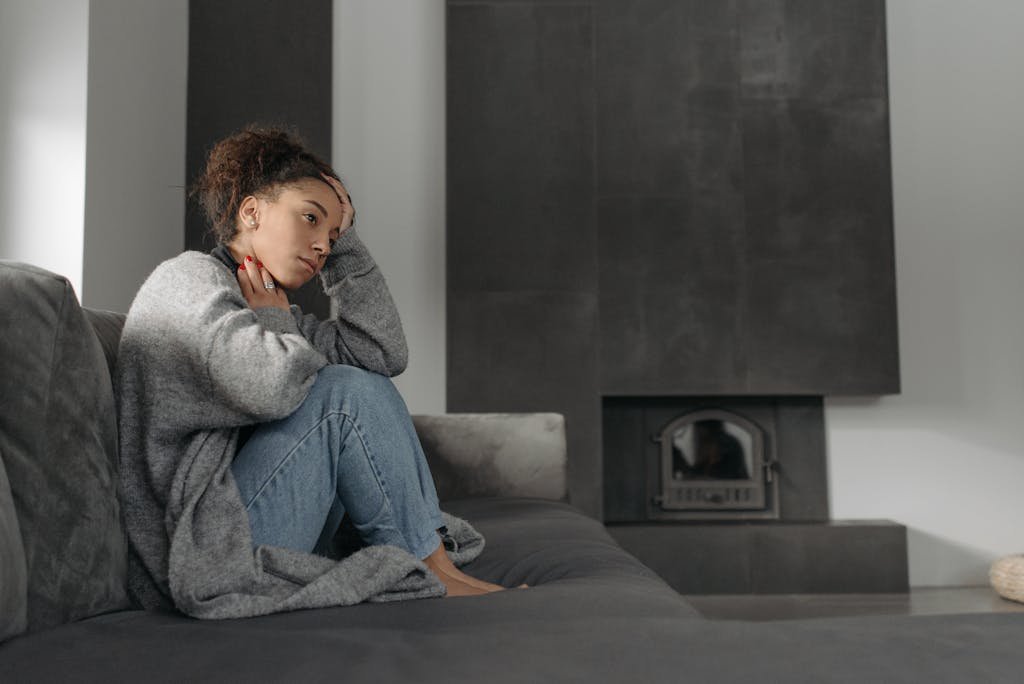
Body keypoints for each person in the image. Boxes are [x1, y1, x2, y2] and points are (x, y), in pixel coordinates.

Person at [117, 126, 504, 619]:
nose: (322, 246)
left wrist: (349, 247)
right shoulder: (187, 281)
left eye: (333, 236)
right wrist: (276, 322)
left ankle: (440, 570)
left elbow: (379, 353)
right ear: (251, 211)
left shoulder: (269, 311)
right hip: (201, 553)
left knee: (358, 380)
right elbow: (272, 388)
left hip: (245, 523)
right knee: (341, 393)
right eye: (310, 219)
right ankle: (430, 570)